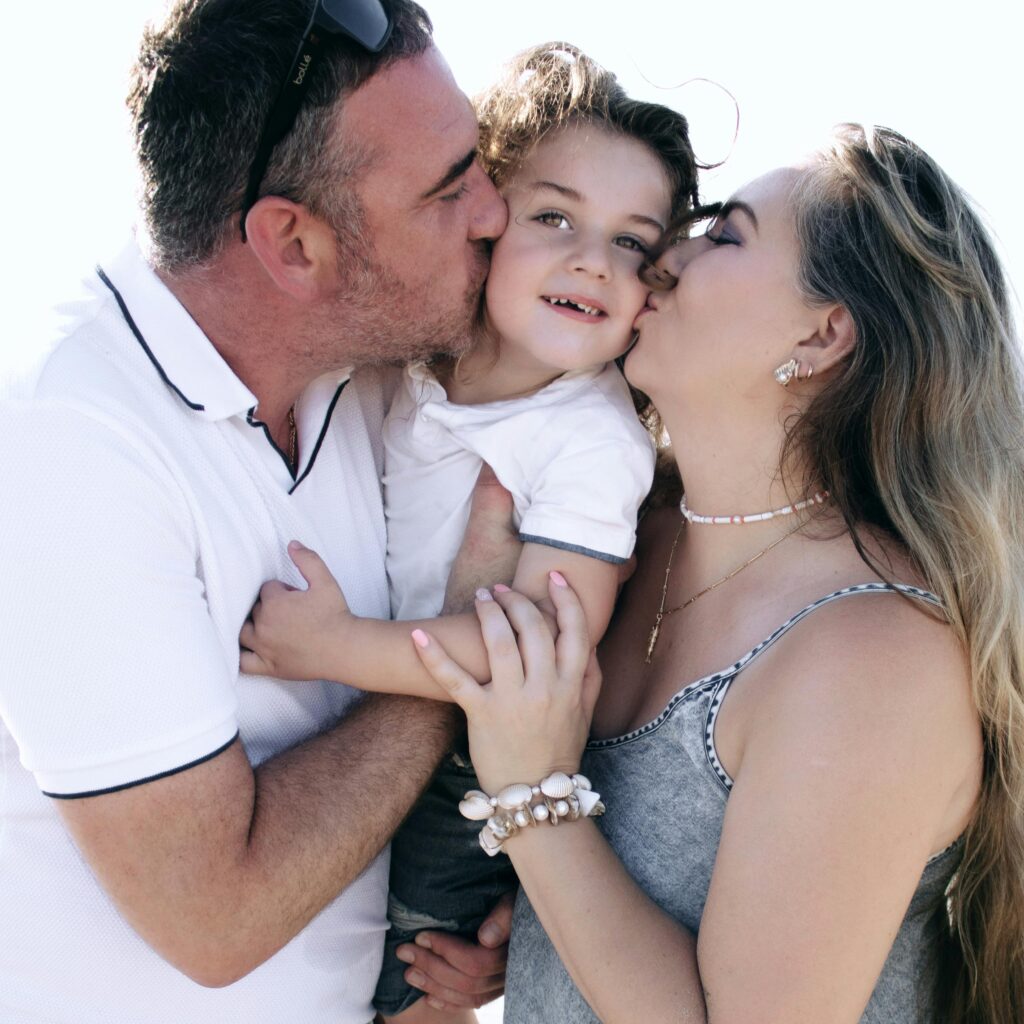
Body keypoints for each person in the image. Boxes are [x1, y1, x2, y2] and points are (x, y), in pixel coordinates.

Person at [405, 124, 1024, 1022]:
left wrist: (534, 807)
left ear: (822, 336)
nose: (664, 257)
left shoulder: (875, 653)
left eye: (725, 235)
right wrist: (532, 923)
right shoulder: (629, 539)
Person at [0, 1, 516, 1021]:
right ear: (294, 244)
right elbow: (215, 917)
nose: (497, 211)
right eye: (448, 190)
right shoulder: (70, 441)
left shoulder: (371, 379)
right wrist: (452, 654)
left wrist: (472, 912)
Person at [238, 42, 701, 1021]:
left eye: (632, 242)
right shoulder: (407, 360)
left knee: (416, 977)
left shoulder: (589, 438)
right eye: (554, 217)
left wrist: (336, 646)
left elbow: (533, 647)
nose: (590, 258)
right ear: (484, 221)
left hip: (466, 765)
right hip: (343, 728)